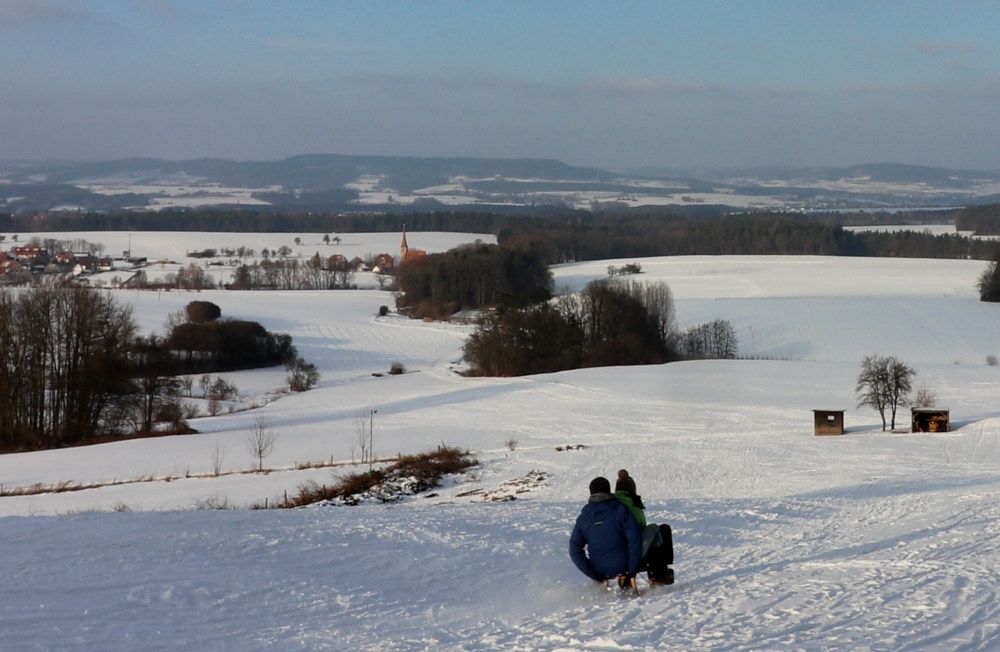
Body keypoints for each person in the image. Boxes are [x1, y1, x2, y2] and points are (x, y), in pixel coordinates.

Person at [569, 476, 643, 587]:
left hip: (599, 568)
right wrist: (631, 570)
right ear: (609, 490)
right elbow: (635, 540)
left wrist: (594, 574)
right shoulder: (620, 511)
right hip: (624, 565)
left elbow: (574, 549)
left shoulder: (583, 518)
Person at [614, 469, 674, 586]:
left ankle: (627, 578)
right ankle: (660, 573)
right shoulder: (634, 503)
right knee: (660, 531)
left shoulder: (611, 502)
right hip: (633, 553)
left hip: (614, 552)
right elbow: (640, 528)